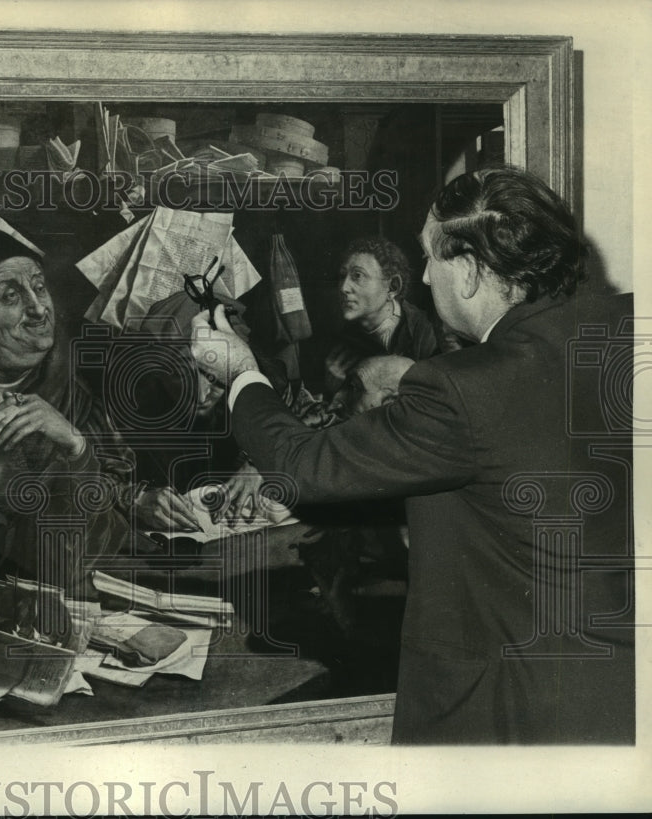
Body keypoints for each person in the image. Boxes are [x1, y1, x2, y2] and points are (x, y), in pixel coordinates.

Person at [191, 166, 634, 744]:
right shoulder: (625, 328)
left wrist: (243, 373)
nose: (423, 276)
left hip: (513, 710)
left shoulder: (463, 387)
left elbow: (302, 466)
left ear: (471, 272)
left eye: (429, 258)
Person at [0, 225, 176, 597]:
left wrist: (132, 494)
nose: (37, 308)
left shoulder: (59, 377)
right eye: (10, 295)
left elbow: (109, 477)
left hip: (95, 577)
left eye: (38, 286)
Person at [324, 236, 438, 396]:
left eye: (358, 276)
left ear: (392, 287)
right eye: (343, 276)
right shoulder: (342, 341)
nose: (344, 287)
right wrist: (334, 387)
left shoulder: (427, 333)